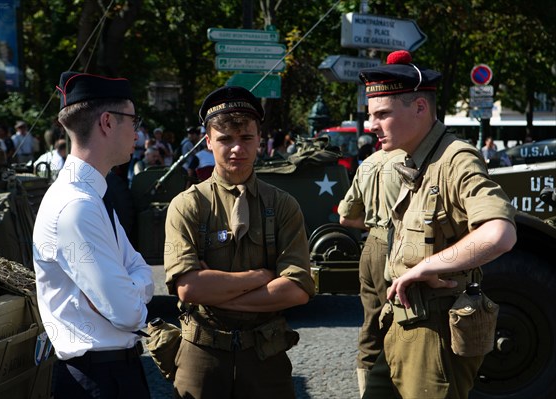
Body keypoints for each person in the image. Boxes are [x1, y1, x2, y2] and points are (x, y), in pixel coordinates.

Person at [359, 50, 517, 398]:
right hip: (401, 323)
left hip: (435, 333)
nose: (372, 125)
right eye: (371, 115)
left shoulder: (455, 159)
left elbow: (500, 233)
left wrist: (427, 266)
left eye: (383, 114)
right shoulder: (411, 159)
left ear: (419, 108)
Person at [163, 86, 315, 398]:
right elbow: (189, 288)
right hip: (202, 353)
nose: (237, 148)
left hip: (265, 356)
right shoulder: (188, 205)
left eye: (246, 138)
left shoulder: (283, 205)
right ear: (207, 142)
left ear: (260, 139)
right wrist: (259, 277)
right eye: (225, 139)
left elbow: (297, 290)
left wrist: (216, 293)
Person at [32, 71, 154, 398]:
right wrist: (134, 292)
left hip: (111, 372)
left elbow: (140, 271)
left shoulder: (92, 196)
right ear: (107, 122)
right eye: (133, 120)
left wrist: (131, 287)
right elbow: (127, 313)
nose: (138, 133)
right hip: (97, 378)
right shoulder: (77, 206)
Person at [337, 147, 405, 398]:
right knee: (406, 326)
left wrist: (376, 224)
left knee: (372, 327)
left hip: (371, 248)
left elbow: (345, 218)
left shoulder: (369, 162)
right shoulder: (411, 160)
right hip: (398, 246)